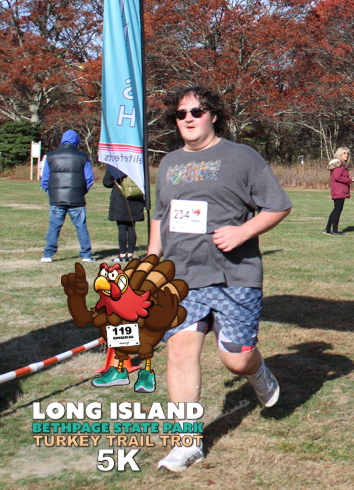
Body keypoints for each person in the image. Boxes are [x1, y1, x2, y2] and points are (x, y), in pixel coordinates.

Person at [149, 86, 292, 473]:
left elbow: (278, 205)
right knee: (180, 351)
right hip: (182, 275)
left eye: (197, 111)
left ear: (213, 115)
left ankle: (257, 372)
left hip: (234, 275)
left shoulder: (241, 157)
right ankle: (187, 443)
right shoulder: (168, 163)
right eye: (181, 114)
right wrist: (151, 261)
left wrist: (243, 232)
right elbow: (160, 216)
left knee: (236, 359)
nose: (189, 119)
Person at [40, 130, 95, 263]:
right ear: (76, 141)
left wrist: (52, 193)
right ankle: (86, 255)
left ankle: (48, 255)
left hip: (57, 198)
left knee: (54, 227)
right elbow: (89, 179)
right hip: (77, 198)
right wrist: (81, 192)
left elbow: (44, 180)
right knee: (81, 227)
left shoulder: (50, 156)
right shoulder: (83, 157)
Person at [103, 164, 145, 262]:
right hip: (136, 198)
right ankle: (130, 254)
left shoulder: (114, 164)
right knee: (132, 227)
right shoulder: (136, 163)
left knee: (122, 228)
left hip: (120, 199)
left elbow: (107, 182)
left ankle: (122, 254)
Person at [325, 147, 354, 236]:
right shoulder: (338, 165)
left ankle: (327, 229)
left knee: (336, 209)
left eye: (347, 154)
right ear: (339, 154)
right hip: (339, 190)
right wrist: (350, 180)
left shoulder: (340, 165)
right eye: (344, 153)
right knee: (337, 210)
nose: (346, 155)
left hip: (339, 190)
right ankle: (334, 230)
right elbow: (338, 177)